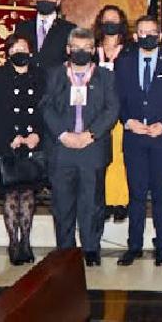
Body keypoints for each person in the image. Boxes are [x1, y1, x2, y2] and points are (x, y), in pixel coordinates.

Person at [42, 28, 120, 267]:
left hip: (92, 148)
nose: (81, 52)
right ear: (68, 50)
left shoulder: (105, 77)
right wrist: (64, 134)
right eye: (76, 48)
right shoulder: (55, 75)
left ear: (93, 51)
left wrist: (91, 134)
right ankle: (65, 250)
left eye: (86, 49)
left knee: (92, 203)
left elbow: (112, 109)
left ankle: (91, 248)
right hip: (62, 148)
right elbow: (46, 107)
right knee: (63, 203)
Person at [115, 15, 162, 267]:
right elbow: (116, 100)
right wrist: (128, 121)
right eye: (142, 32)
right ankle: (134, 246)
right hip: (134, 137)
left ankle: (161, 246)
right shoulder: (123, 63)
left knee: (160, 194)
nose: (147, 36)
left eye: (152, 32)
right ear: (135, 36)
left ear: (159, 35)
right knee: (136, 194)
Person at [0, 34, 44, 266]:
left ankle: (26, 242)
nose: (20, 51)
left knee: (28, 194)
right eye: (15, 48)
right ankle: (13, 242)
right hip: (7, 142)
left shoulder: (39, 75)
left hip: (33, 143)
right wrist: (13, 136)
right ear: (8, 52)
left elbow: (45, 107)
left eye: (24, 46)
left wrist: (36, 134)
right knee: (10, 194)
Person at [93, 5, 134, 223]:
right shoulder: (91, 49)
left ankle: (120, 201)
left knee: (119, 156)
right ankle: (104, 200)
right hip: (95, 114)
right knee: (101, 157)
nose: (110, 23)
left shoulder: (130, 49)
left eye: (114, 20)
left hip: (121, 110)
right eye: (106, 19)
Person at [15, 0, 76, 70]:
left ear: (58, 2)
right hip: (28, 81)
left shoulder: (69, 29)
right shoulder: (23, 27)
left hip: (56, 82)